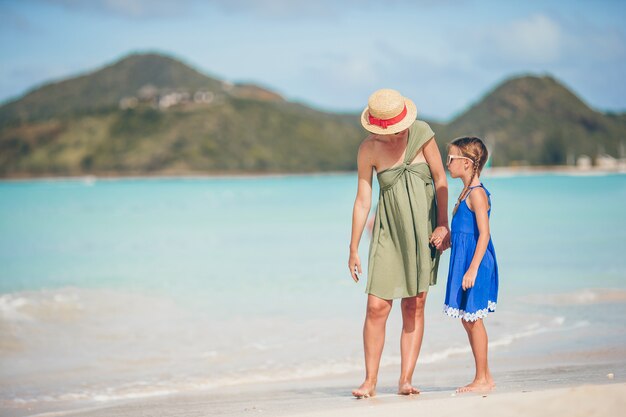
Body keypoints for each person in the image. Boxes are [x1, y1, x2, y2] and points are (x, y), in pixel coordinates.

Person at [348, 89, 449, 398]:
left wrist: (443, 224)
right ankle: (370, 381)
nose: (396, 132)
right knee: (377, 307)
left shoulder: (422, 133)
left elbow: (441, 179)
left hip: (424, 229)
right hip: (389, 231)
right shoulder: (368, 149)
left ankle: (405, 380)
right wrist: (352, 248)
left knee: (414, 304)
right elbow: (363, 201)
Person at [443, 136, 499, 393]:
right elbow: (465, 232)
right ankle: (485, 376)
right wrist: (447, 239)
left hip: (476, 263)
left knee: (473, 320)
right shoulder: (466, 192)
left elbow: (484, 235)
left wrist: (473, 268)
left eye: (451, 158)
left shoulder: (477, 194)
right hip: (466, 260)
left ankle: (481, 379)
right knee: (468, 320)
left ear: (466, 163)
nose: (447, 163)